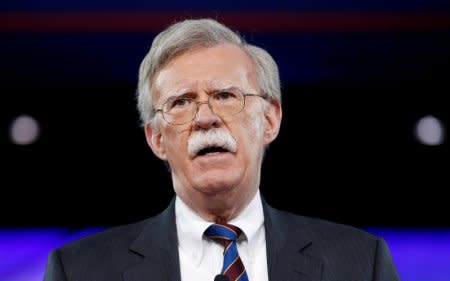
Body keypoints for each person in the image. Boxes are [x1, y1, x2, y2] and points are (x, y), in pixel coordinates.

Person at [44, 18, 400, 281]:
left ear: (270, 119)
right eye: (181, 102)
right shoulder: (79, 270)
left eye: (226, 96)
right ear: (155, 138)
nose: (205, 118)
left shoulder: (360, 264)